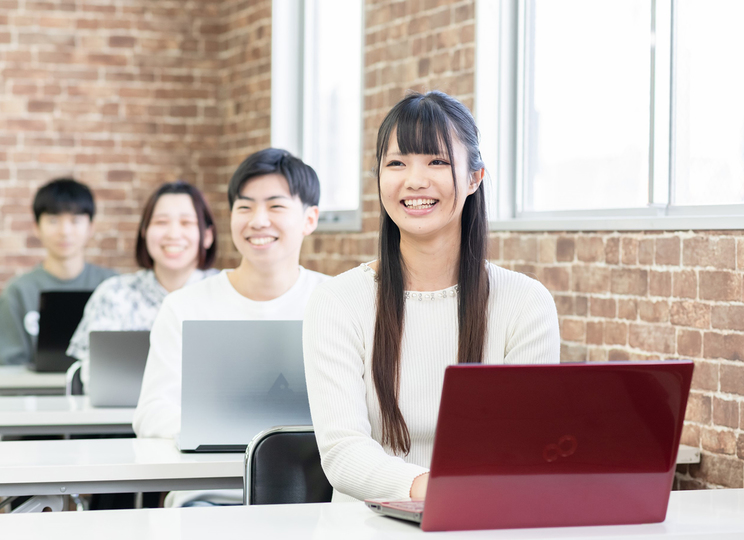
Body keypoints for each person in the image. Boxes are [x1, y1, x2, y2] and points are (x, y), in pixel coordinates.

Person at [302, 91, 561, 503]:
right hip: (366, 524)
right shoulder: (337, 302)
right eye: (397, 163)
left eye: (437, 161)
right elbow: (343, 453)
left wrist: (463, 501)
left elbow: (527, 445)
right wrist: (442, 493)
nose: (415, 180)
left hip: (484, 521)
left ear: (475, 177)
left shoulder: (526, 303)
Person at [134, 148, 330, 440]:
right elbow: (152, 413)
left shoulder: (336, 302)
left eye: (276, 206)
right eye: (245, 207)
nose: (258, 221)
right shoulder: (183, 306)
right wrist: (237, 436)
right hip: (206, 469)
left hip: (313, 469)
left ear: (310, 219)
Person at [67, 181, 218, 389]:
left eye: (186, 223)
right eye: (161, 222)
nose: (173, 234)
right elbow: (90, 375)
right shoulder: (114, 294)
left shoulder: (226, 293)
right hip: (123, 410)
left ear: (207, 236)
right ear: (144, 232)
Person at [0, 178, 116, 366]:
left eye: (75, 221)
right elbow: (7, 370)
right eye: (53, 221)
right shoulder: (17, 293)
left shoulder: (112, 286)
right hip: (32, 387)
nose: (64, 231)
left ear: (91, 227)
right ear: (36, 227)